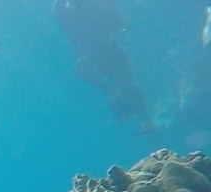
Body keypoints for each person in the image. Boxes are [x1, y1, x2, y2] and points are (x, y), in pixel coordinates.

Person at [52, 0, 154, 131]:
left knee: (126, 84)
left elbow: (119, 20)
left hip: (107, 50)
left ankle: (145, 120)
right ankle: (137, 117)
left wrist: (110, 36)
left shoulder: (70, 9)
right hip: (92, 54)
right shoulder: (62, 10)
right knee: (116, 85)